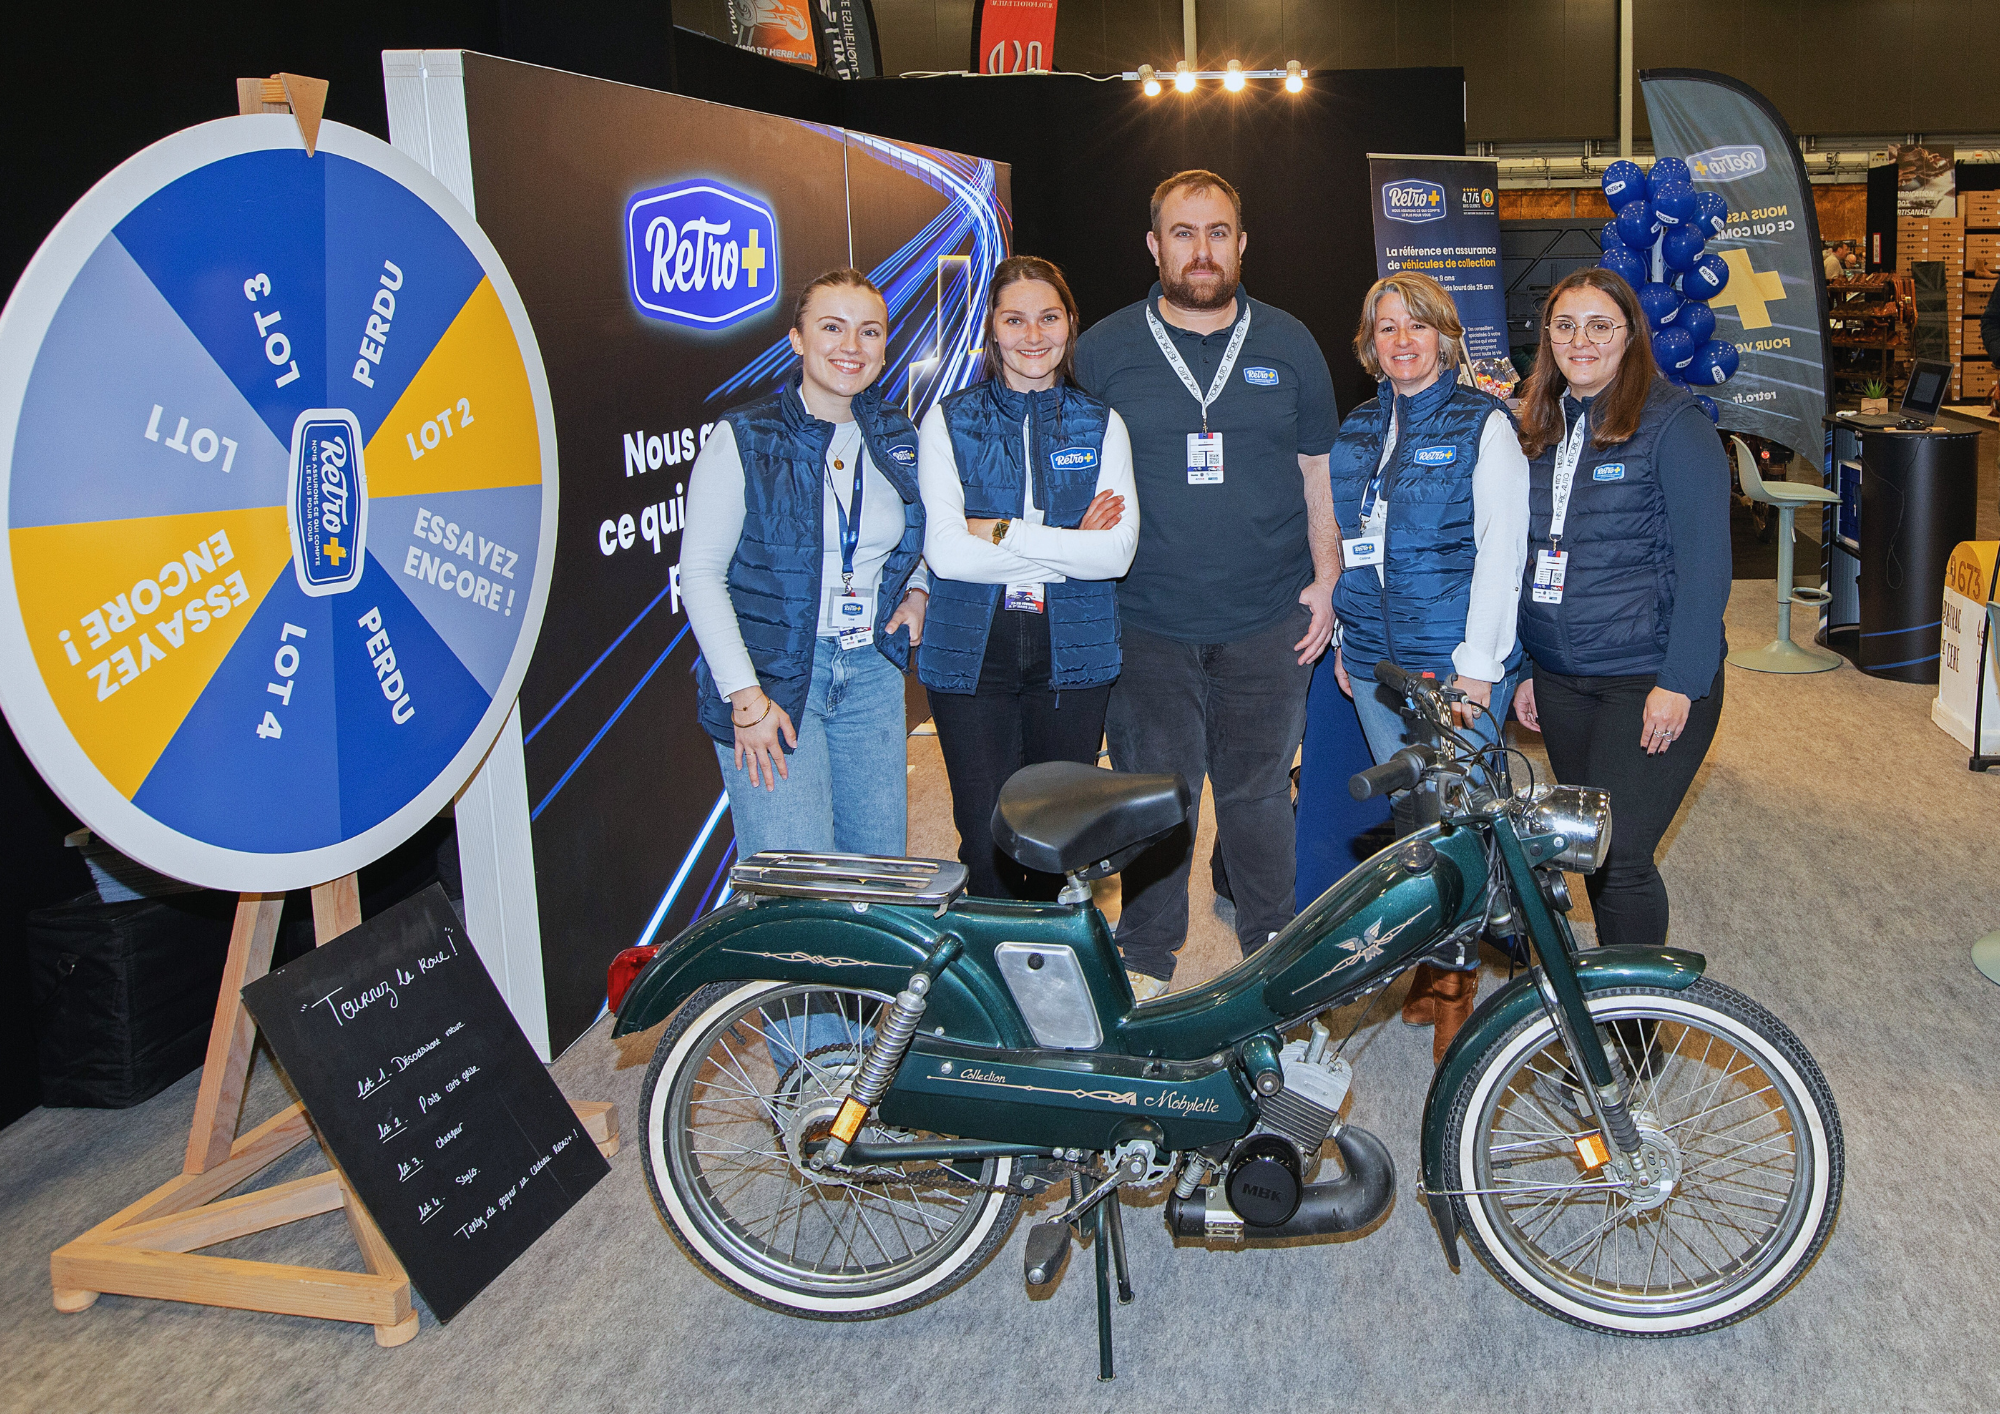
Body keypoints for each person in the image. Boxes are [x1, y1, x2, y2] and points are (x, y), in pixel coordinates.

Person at [1073, 170, 1341, 999]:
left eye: (1218, 232)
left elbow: (1317, 471)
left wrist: (1327, 576)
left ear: (1242, 243)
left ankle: (1273, 949)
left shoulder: (1291, 342)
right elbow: (1067, 468)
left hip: (1268, 617)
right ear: (1154, 246)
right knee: (1158, 798)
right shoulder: (1104, 350)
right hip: (1144, 620)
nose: (1201, 250)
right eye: (1183, 234)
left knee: (1260, 793)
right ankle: (1149, 955)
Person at [1326, 271, 1529, 1062]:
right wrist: (1351, 645)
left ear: (1445, 337)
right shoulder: (1355, 431)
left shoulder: (1485, 424)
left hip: (1454, 667)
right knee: (1418, 830)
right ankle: (1430, 969)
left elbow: (1502, 551)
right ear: (1370, 347)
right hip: (1377, 665)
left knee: (1464, 827)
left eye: (1415, 326)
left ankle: (1460, 992)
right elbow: (1352, 546)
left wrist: (1480, 667)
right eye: (1385, 328)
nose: (1401, 340)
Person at [1510, 266, 1731, 951]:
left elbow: (1707, 564)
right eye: (1566, 325)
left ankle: (1636, 1042)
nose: (1582, 340)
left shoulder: (1674, 425)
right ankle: (1608, 1011)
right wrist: (1525, 667)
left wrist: (1681, 681)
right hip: (1561, 679)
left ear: (1629, 335)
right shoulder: (1539, 427)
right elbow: (1524, 555)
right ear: (1548, 337)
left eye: (1600, 325)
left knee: (1620, 855)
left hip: (1646, 676)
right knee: (1588, 852)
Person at [683, 268, 930, 860]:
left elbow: (917, 531)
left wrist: (917, 591)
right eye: (832, 327)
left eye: (869, 331)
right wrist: (746, 701)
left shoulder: (895, 432)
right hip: (773, 681)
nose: (852, 346)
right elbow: (700, 577)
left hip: (871, 672)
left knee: (877, 872)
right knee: (796, 881)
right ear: (797, 340)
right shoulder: (744, 436)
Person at [918, 257, 1139, 899]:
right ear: (992, 329)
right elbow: (949, 556)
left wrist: (999, 530)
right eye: (1015, 320)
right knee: (984, 836)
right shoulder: (948, 420)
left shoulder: (1102, 424)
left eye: (1048, 317)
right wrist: (1074, 546)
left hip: (1074, 653)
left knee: (1055, 837)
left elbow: (1117, 555)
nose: (1033, 335)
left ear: (1071, 324)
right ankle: (989, 990)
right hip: (969, 655)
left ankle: (1045, 982)